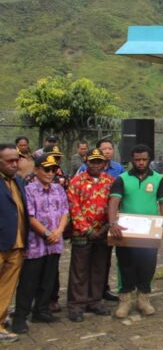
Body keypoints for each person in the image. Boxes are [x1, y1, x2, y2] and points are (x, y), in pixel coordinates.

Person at [108, 144, 163, 318]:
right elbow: (114, 202)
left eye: (144, 159)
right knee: (125, 264)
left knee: (148, 265)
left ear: (149, 160)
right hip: (126, 231)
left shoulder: (158, 179)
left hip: (149, 232)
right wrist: (113, 222)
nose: (141, 162)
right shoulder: (122, 179)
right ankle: (125, 301)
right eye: (137, 160)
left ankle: (143, 300)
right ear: (132, 160)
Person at [11, 155, 70, 334]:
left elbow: (65, 211)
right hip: (36, 244)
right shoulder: (28, 190)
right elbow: (30, 217)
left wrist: (59, 231)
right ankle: (20, 316)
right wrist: (47, 233)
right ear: (36, 170)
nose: (50, 173)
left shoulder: (58, 189)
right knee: (29, 282)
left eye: (53, 169)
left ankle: (41, 311)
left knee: (48, 279)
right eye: (46, 169)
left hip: (54, 244)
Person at [65, 148, 114, 323]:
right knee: (80, 271)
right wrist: (88, 230)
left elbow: (115, 204)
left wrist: (107, 227)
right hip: (82, 233)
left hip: (103, 233)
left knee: (99, 269)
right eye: (92, 161)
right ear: (87, 162)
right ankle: (76, 305)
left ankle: (94, 301)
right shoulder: (76, 181)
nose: (95, 165)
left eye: (99, 161)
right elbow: (74, 208)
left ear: (104, 163)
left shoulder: (110, 181)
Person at [0, 143, 28, 342]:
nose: (14, 164)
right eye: (9, 161)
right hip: (1, 243)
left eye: (16, 160)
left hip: (17, 245)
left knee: (6, 288)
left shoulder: (18, 181)